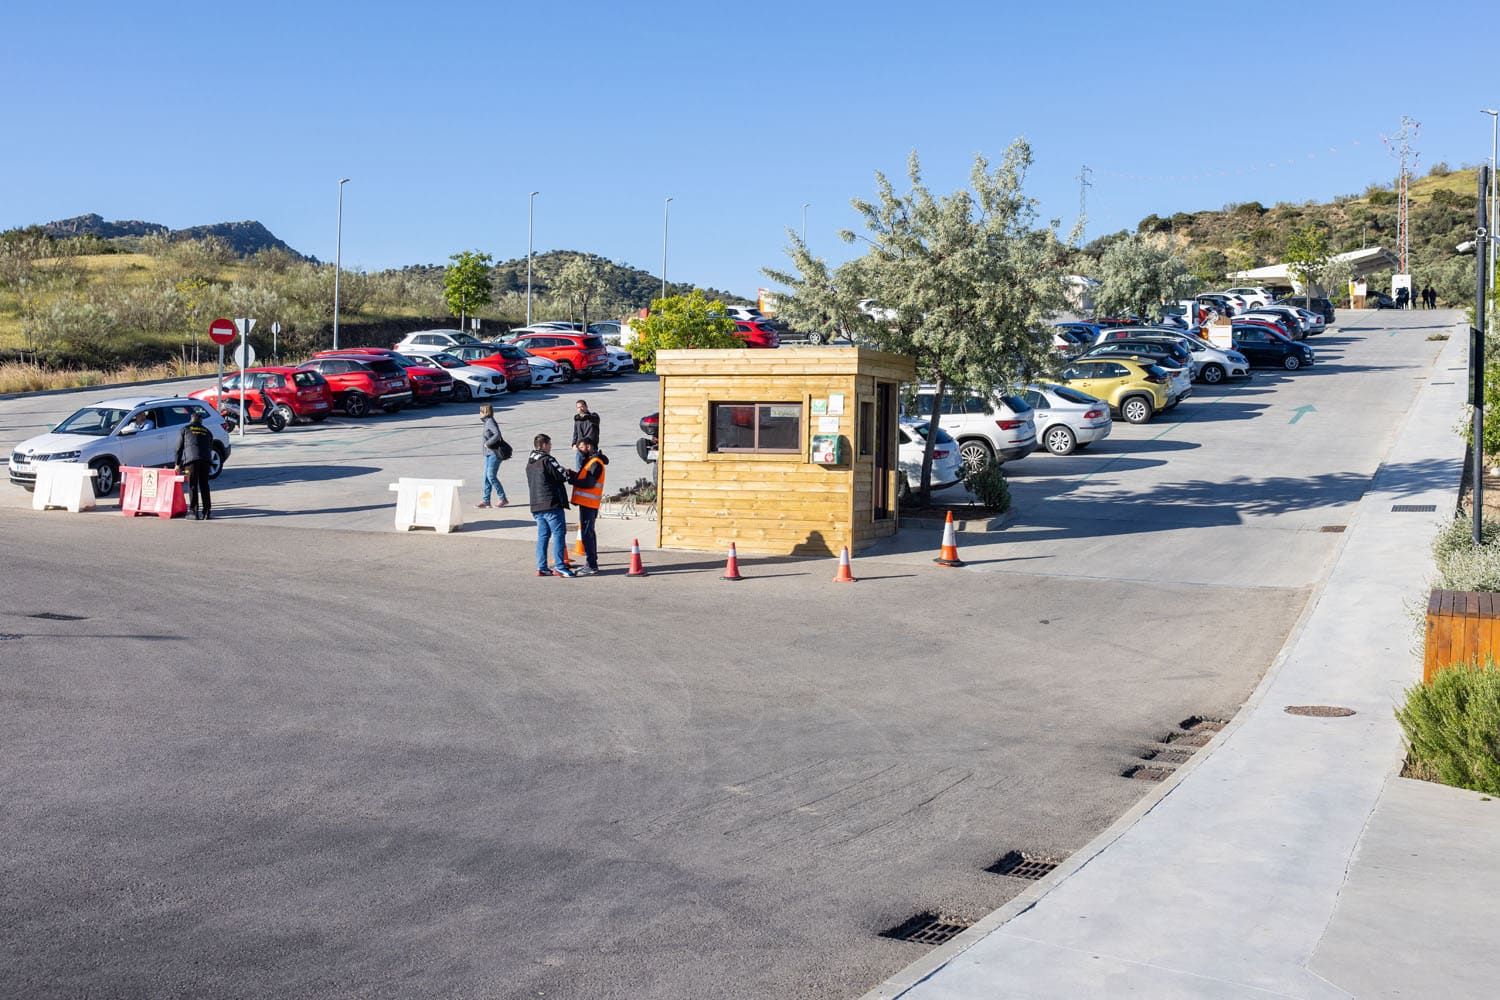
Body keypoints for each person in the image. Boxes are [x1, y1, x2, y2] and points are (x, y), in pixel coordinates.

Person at [527, 433, 576, 578]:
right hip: (551, 503)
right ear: (543, 445)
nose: (551, 446)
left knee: (543, 536)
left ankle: (541, 566)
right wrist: (568, 472)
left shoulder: (530, 463)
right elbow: (561, 475)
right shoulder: (547, 460)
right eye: (549, 444)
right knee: (559, 534)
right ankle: (560, 566)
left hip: (536, 504)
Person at [570, 439, 609, 575]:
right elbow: (585, 478)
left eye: (581, 446)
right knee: (589, 533)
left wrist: (572, 480)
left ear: (588, 446)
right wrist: (572, 474)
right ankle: (591, 563)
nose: (578, 448)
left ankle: (592, 565)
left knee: (587, 534)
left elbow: (589, 482)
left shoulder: (595, 463)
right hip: (587, 503)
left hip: (589, 504)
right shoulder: (591, 461)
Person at [174, 409, 215, 520]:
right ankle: (207, 512)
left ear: (191, 420)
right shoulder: (207, 431)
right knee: (204, 485)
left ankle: (193, 512)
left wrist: (177, 464)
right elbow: (210, 448)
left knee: (192, 485)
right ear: (201, 421)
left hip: (191, 461)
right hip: (205, 461)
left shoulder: (185, 429)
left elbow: (178, 448)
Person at [477, 403, 510, 509]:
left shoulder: (490, 421)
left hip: (494, 454)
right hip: (488, 454)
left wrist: (488, 443)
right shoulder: (487, 421)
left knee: (491, 476)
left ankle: (503, 498)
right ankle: (486, 501)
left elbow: (497, 434)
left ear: (485, 412)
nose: (479, 413)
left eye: (480, 411)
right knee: (486, 477)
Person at [571, 399, 600, 470]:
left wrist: (584, 416)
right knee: (579, 471)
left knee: (592, 471)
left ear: (586, 407)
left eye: (582, 407)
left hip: (591, 449)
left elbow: (593, 418)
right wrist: (574, 443)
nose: (580, 409)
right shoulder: (577, 419)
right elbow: (575, 433)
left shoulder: (594, 417)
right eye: (578, 407)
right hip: (581, 449)